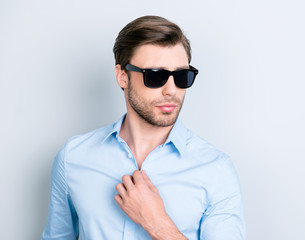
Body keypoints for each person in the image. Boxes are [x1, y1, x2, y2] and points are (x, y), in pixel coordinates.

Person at [41, 15, 246, 240]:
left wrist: (158, 225)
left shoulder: (215, 170)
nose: (171, 90)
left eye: (181, 76)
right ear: (122, 77)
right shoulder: (73, 157)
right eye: (155, 76)